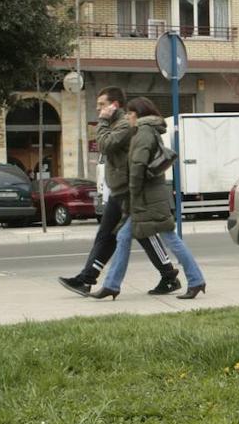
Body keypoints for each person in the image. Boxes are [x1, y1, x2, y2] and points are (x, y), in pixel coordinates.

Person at [59, 87, 181, 296]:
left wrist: (102, 122)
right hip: (119, 190)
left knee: (144, 233)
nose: (99, 109)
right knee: (108, 235)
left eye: (102, 105)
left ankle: (169, 276)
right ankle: (86, 278)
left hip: (128, 191)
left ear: (114, 105)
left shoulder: (124, 125)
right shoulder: (117, 124)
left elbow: (105, 145)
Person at [92, 97, 207, 301]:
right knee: (123, 237)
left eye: (130, 113)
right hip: (148, 198)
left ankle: (196, 280)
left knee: (171, 239)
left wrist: (133, 193)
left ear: (138, 114)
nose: (127, 117)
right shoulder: (147, 131)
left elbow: (138, 167)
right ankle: (111, 285)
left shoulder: (143, 132)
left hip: (147, 199)